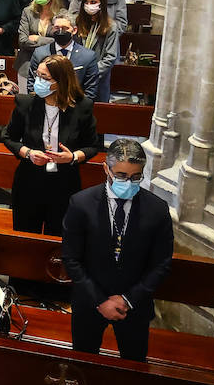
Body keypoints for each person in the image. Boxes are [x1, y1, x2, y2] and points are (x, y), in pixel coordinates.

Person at [62, 139, 173, 360]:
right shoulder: (81, 204)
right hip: (90, 302)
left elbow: (161, 263)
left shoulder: (157, 210)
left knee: (133, 369)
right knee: (84, 365)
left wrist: (128, 299)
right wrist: (101, 301)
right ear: (106, 169)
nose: (128, 182)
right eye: (121, 175)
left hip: (134, 306)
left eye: (136, 177)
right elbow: (71, 258)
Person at [2, 54, 102, 235]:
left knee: (56, 241)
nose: (37, 81)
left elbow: (93, 145)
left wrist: (72, 157)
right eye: (37, 75)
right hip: (29, 183)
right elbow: (8, 137)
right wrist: (28, 153)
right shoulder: (26, 103)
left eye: (44, 78)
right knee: (26, 239)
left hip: (64, 184)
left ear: (61, 81)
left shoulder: (82, 106)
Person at [27, 12, 101, 101]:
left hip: (75, 107)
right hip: (45, 104)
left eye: (65, 28)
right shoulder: (40, 53)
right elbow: (32, 84)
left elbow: (91, 90)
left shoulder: (88, 56)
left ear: (74, 30)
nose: (61, 31)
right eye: (57, 28)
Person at [76, 0, 120, 103]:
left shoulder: (111, 27)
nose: (89, 5)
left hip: (98, 81)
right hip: (77, 79)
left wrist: (90, 72)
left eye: (93, 2)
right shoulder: (79, 22)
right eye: (86, 2)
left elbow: (110, 58)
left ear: (102, 4)